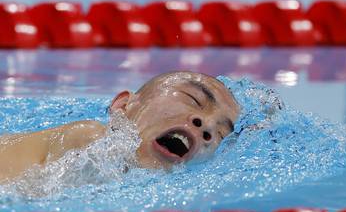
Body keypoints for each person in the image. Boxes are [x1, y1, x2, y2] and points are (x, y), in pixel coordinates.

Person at [0, 71, 240, 181]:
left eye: (220, 133)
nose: (205, 124)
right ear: (124, 106)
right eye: (193, 99)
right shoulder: (89, 138)